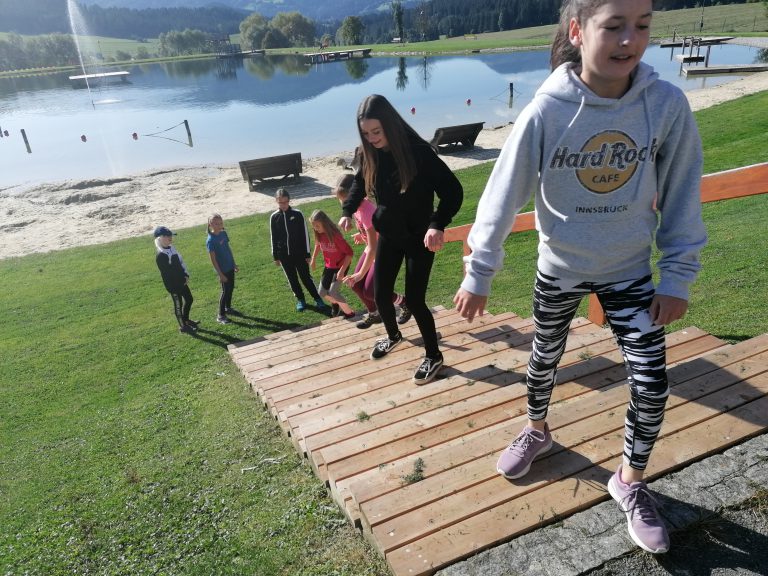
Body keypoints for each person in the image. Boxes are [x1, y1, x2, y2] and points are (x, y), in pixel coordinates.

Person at [453, 0, 707, 555]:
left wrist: (677, 277)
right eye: (613, 26)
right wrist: (480, 271)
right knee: (544, 357)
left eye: (642, 26)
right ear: (578, 30)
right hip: (560, 270)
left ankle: (629, 481)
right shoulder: (546, 111)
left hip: (630, 273)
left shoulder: (665, 105)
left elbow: (684, 192)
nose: (629, 40)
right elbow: (502, 193)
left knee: (652, 383)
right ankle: (537, 430)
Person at [339, 94, 463, 384]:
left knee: (416, 301)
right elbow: (359, 183)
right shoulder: (369, 154)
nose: (371, 139)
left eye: (376, 132)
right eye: (366, 134)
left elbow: (453, 192)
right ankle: (393, 335)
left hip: (420, 237)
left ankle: (434, 356)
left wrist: (437, 224)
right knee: (380, 293)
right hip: (389, 233)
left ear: (391, 125)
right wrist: (347, 211)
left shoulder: (418, 153)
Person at [334, 173, 411, 329]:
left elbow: (373, 247)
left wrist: (360, 274)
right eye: (341, 200)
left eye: (345, 199)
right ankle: (374, 314)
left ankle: (405, 303)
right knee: (355, 285)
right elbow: (372, 233)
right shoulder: (357, 207)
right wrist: (361, 234)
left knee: (371, 292)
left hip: (384, 251)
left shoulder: (366, 210)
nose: (343, 204)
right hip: (373, 247)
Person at [270, 188, 329, 313]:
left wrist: (307, 254)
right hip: (284, 255)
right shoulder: (274, 217)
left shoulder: (297, 214)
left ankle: (317, 298)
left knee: (306, 277)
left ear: (289, 200)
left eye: (285, 202)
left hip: (299, 254)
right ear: (276, 201)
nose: (283, 205)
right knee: (292, 279)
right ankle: (300, 300)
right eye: (280, 202)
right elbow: (273, 237)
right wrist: (275, 256)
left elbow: (305, 235)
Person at [308, 209, 356, 319]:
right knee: (321, 293)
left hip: (341, 266)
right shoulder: (319, 234)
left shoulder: (335, 236)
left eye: (317, 226)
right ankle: (335, 303)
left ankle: (350, 313)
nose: (315, 228)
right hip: (329, 266)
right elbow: (318, 244)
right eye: (313, 226)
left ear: (324, 223)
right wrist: (313, 259)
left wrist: (342, 271)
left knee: (333, 292)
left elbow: (349, 253)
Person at [153, 226, 198, 334]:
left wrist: (185, 275)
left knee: (189, 299)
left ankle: (186, 319)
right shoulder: (161, 255)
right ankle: (183, 326)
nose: (170, 238)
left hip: (182, 281)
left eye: (170, 235)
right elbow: (168, 274)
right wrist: (180, 280)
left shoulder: (172, 248)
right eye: (167, 236)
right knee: (178, 305)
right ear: (160, 238)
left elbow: (180, 262)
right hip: (173, 285)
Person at [206, 213, 239, 324]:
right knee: (225, 291)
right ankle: (220, 315)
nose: (219, 225)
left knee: (231, 288)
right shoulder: (210, 240)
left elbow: (228, 249)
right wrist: (220, 274)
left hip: (230, 266)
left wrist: (234, 264)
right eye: (216, 224)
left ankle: (227, 308)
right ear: (210, 225)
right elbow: (213, 260)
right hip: (223, 270)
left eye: (220, 223)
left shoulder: (224, 233)